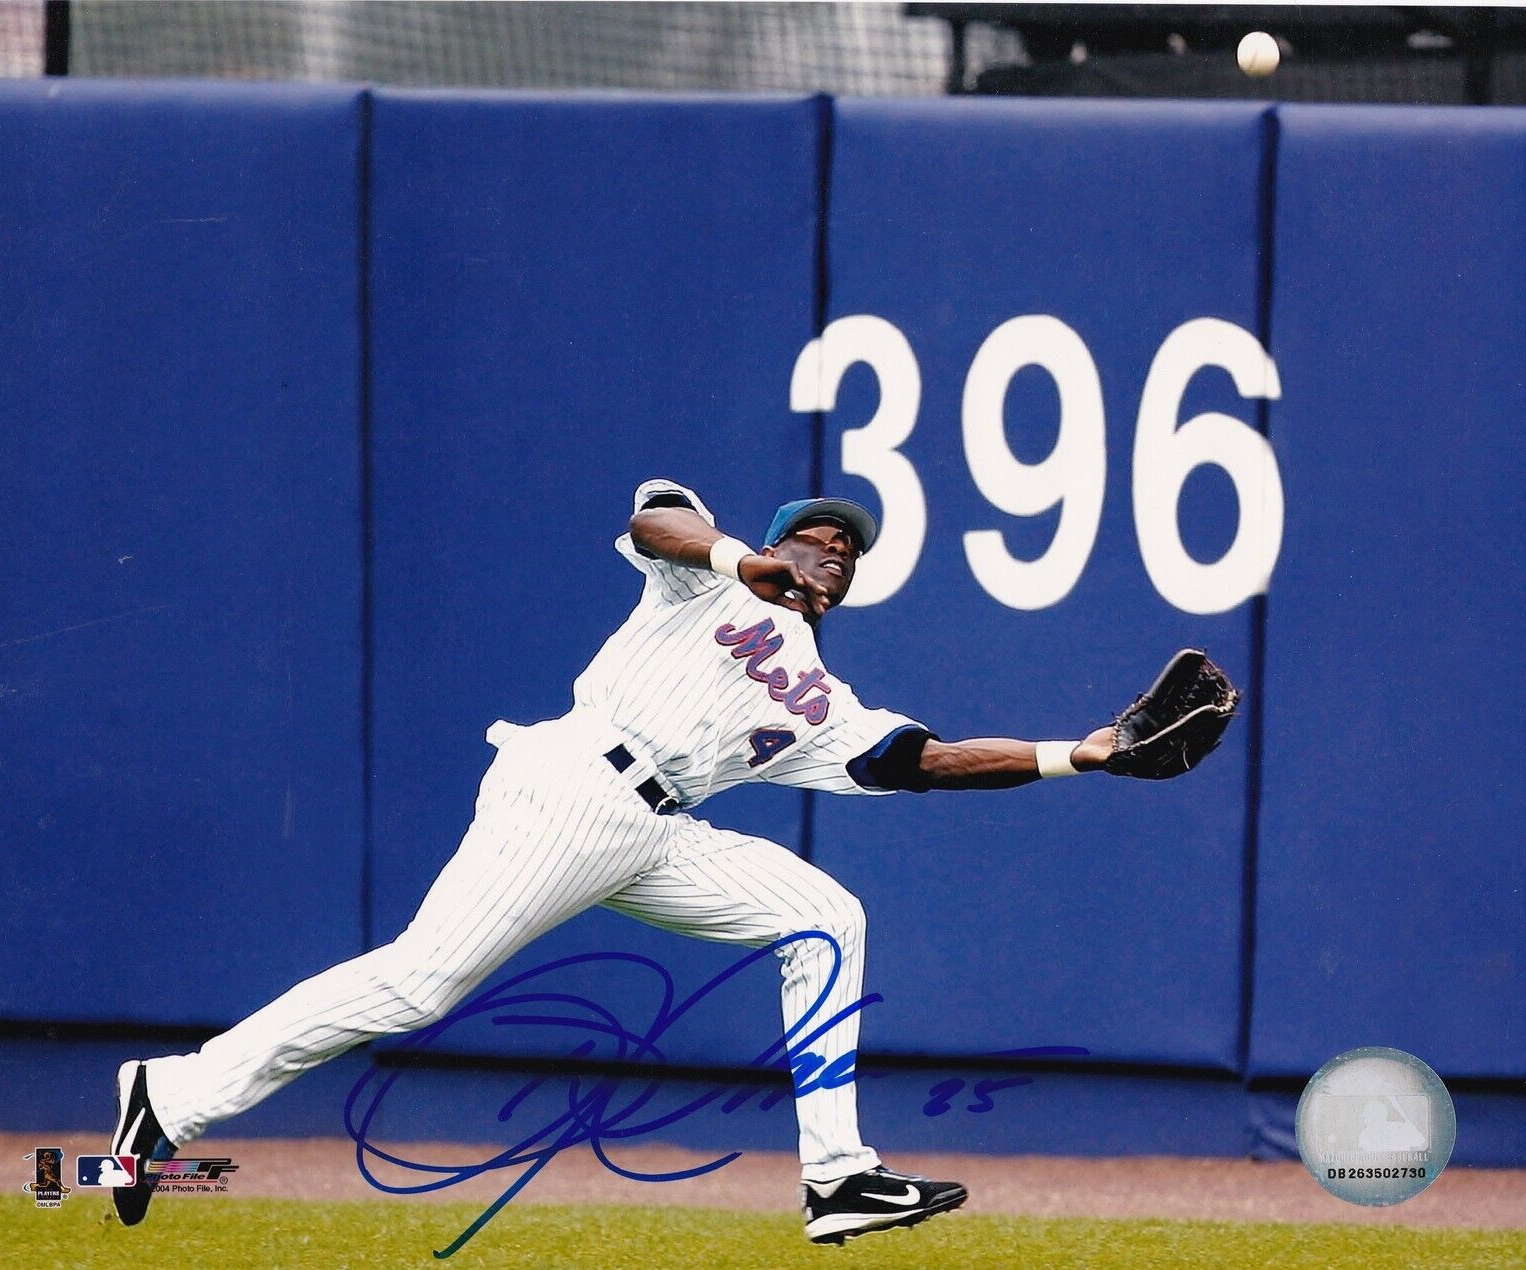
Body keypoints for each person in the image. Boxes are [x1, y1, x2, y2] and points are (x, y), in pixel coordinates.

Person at [110, 478, 1118, 1245]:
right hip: (574, 780)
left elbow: (929, 760)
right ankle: (173, 1093)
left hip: (652, 830)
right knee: (418, 984)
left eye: (844, 550)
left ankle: (837, 1179)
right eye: (811, 536)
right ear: (774, 543)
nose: (828, 550)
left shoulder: (821, 700)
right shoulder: (701, 574)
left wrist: (1082, 754)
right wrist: (740, 560)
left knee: (824, 914)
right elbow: (655, 517)